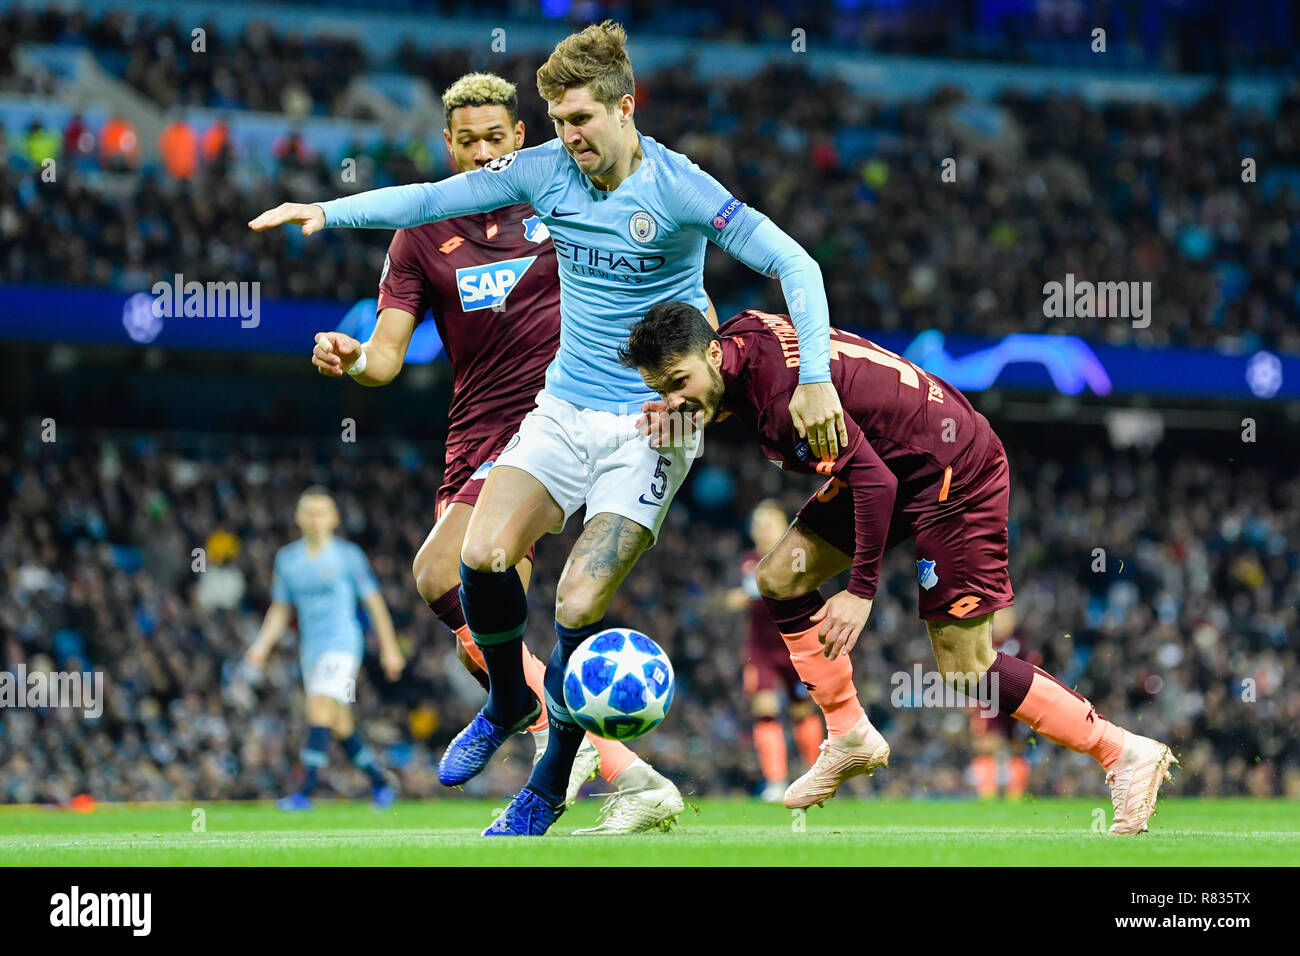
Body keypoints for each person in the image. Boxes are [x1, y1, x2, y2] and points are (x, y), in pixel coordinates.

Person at [250, 22, 845, 837]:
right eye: (559, 123)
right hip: (561, 409)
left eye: (582, 122)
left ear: (625, 107)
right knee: (478, 561)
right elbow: (428, 202)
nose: (571, 139)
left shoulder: (679, 187)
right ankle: (504, 699)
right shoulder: (546, 173)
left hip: (649, 428)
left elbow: (796, 265)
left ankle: (548, 781)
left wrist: (815, 377)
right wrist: (326, 208)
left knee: (574, 598)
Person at [620, 303, 1179, 835]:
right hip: (894, 458)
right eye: (661, 391)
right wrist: (688, 414)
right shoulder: (745, 336)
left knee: (965, 666)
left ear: (714, 354)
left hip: (953, 473)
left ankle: (1123, 752)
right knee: (779, 578)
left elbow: (876, 485)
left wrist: (860, 592)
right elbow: (747, 403)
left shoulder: (785, 403)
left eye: (677, 382)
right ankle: (848, 735)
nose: (672, 399)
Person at [312, 71, 683, 830]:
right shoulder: (421, 238)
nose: (483, 153)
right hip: (476, 438)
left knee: (436, 570)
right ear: (448, 145)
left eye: (496, 138)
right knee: (478, 632)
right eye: (467, 140)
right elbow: (385, 360)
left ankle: (531, 719)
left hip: (559, 424)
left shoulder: (561, 197)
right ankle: (619, 767)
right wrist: (351, 357)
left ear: (521, 139)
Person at [245, 488, 405, 810]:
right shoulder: (288, 560)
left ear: (334, 518)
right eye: (309, 512)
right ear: (299, 518)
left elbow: (373, 603)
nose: (316, 520)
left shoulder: (348, 556)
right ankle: (380, 782)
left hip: (343, 643)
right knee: (338, 721)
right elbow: (279, 609)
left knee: (318, 708)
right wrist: (260, 646)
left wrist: (390, 648)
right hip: (311, 649)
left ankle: (304, 791)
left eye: (322, 513)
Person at [723, 500, 823, 801]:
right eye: (759, 525)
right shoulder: (749, 561)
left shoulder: (796, 556)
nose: (763, 530)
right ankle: (776, 781)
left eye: (769, 524)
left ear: (784, 527)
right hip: (761, 650)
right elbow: (735, 598)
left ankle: (815, 774)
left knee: (801, 710)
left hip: (795, 646)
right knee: (765, 710)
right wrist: (739, 597)